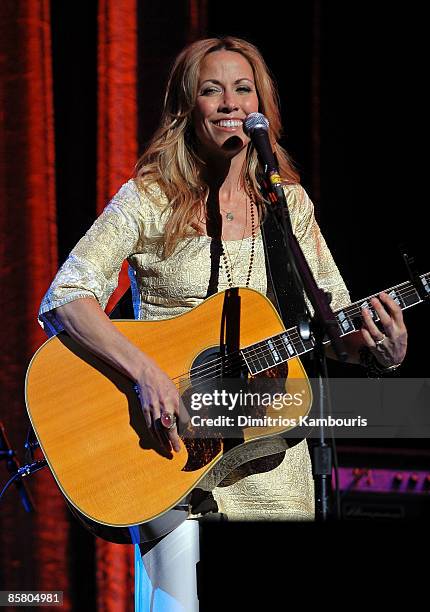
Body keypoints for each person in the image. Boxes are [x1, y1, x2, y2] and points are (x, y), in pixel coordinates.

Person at [38, 36, 408, 610]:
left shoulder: (290, 206)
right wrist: (148, 374)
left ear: (262, 108)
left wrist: (378, 348)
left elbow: (332, 326)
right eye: (212, 90)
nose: (230, 102)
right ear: (188, 107)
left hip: (270, 461)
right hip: (166, 449)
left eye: (243, 88)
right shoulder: (147, 200)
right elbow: (66, 298)